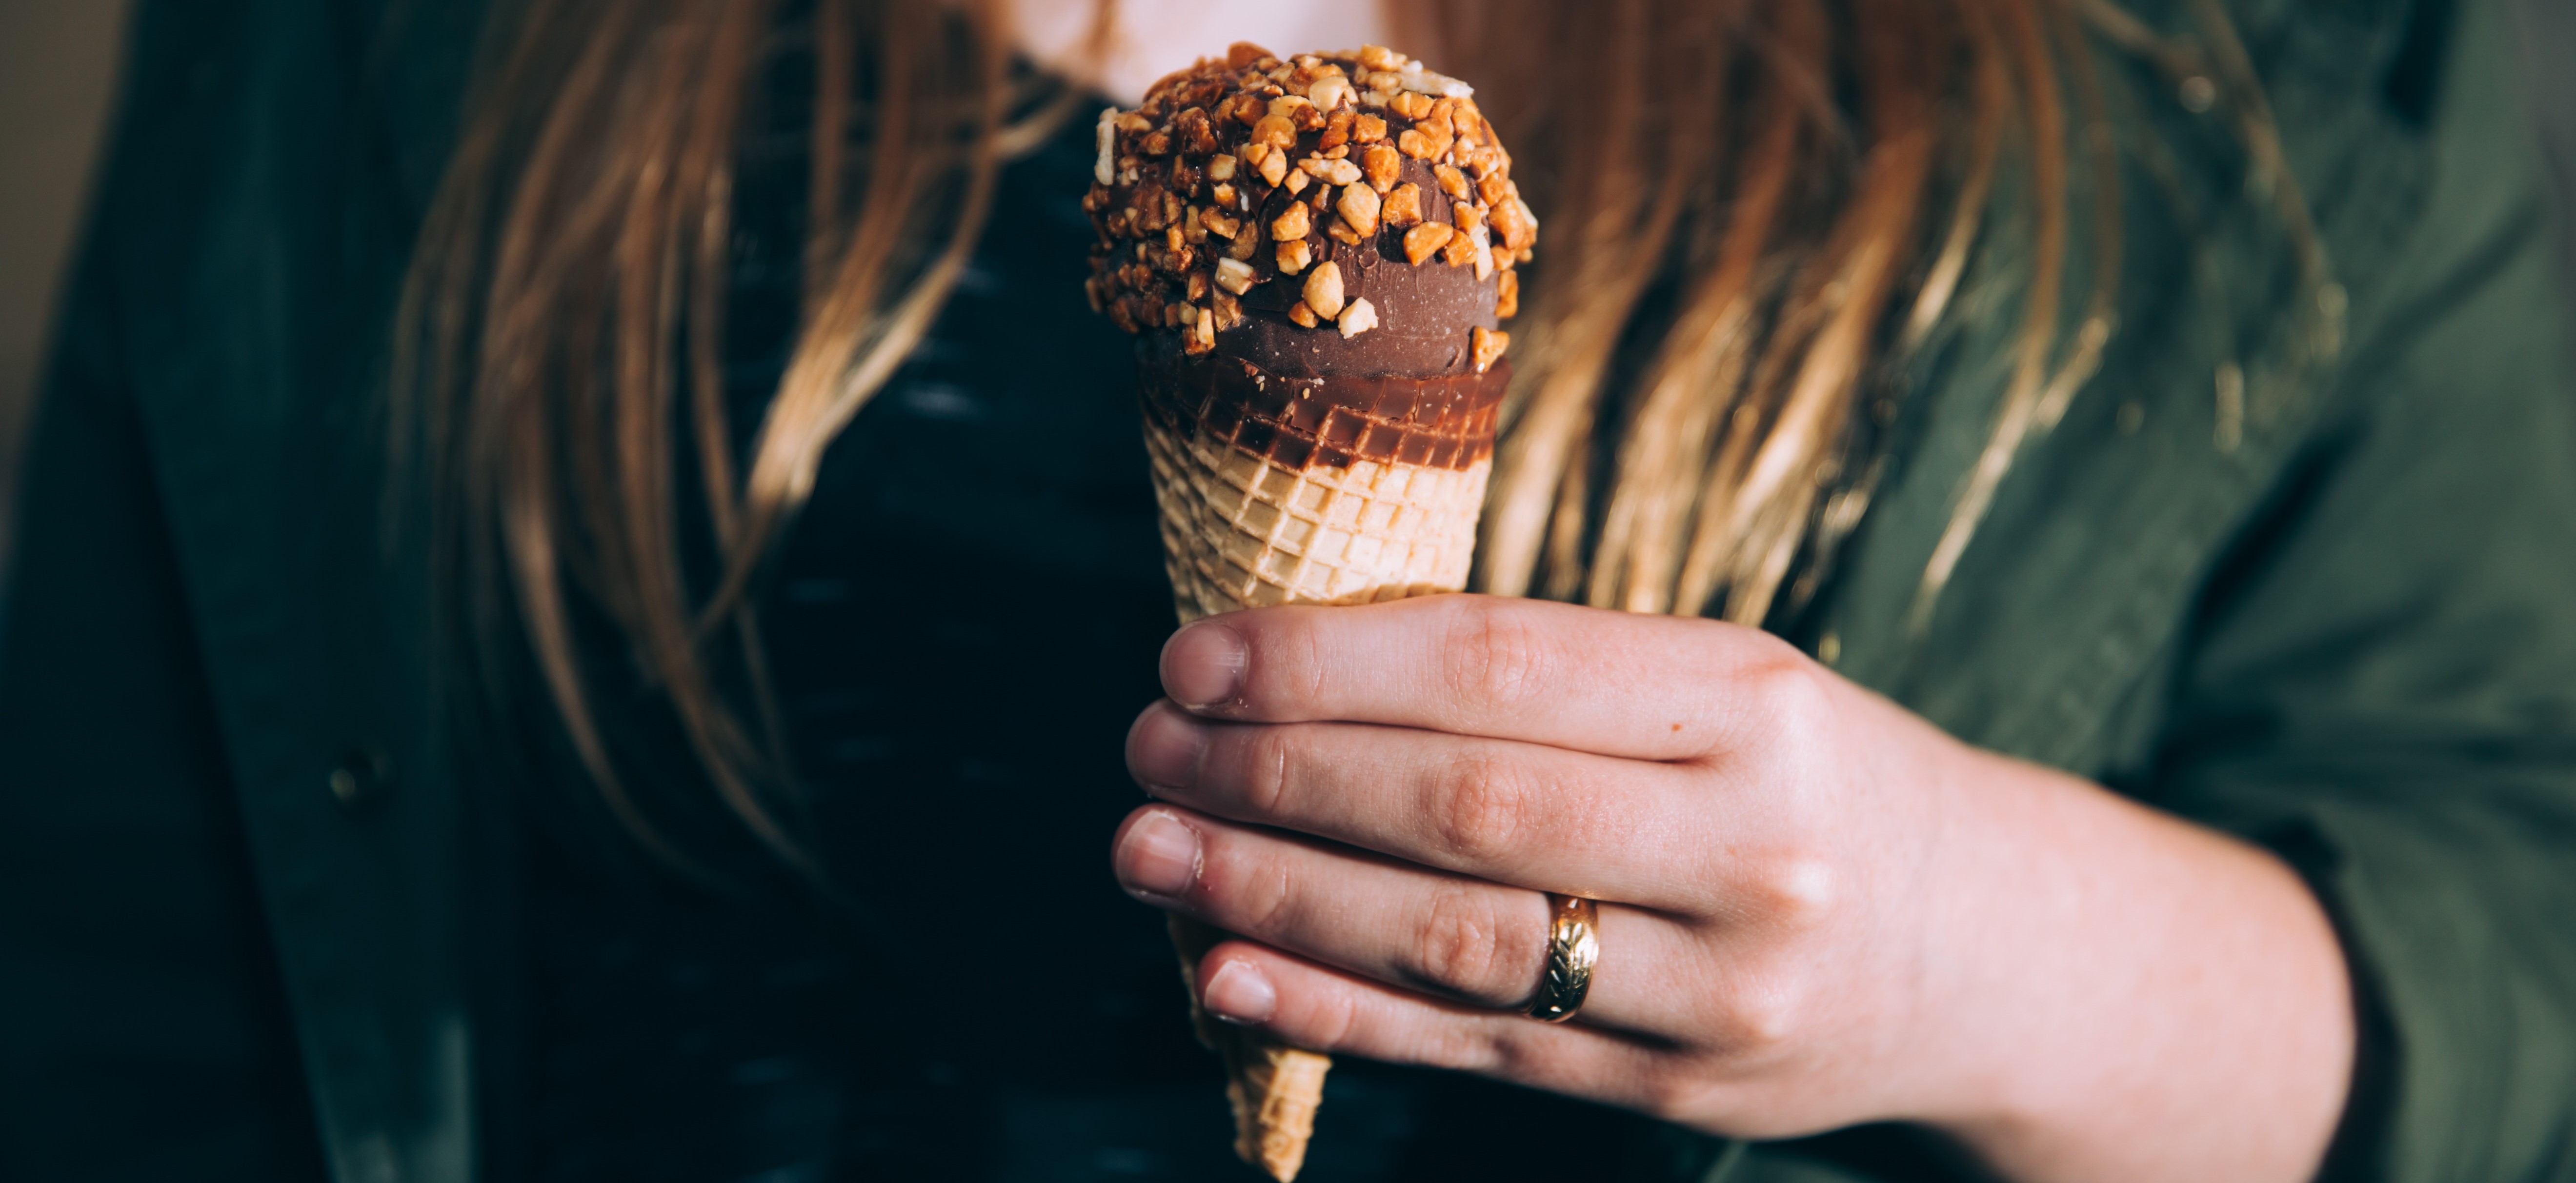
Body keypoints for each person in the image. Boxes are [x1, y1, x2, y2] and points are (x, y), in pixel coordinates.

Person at [2, 0, 2570, 1181]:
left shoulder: (2305, 65)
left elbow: (2519, 929)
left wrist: (1972, 939)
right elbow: (131, 997)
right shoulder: (372, 53)